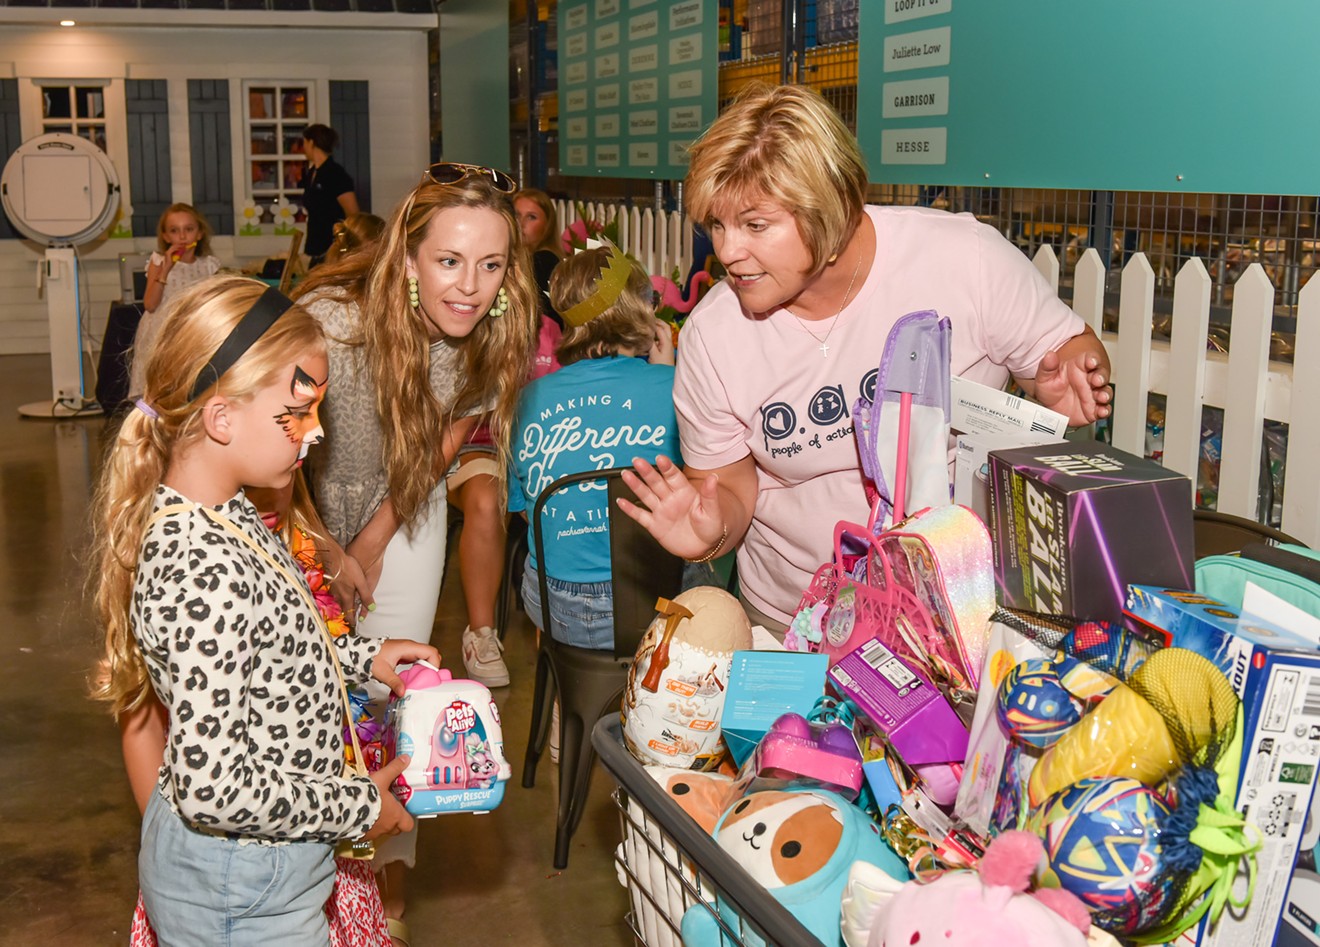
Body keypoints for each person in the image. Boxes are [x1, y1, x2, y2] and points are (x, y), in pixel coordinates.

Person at [617, 84, 1113, 635]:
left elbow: (1064, 349)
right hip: (796, 619)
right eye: (717, 224)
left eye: (755, 225)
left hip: (963, 613)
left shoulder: (965, 259)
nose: (728, 251)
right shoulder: (715, 334)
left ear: (827, 210)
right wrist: (707, 531)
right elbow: (730, 488)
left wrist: (1072, 372)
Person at [89, 276, 438, 945]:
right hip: (237, 893)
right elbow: (213, 785)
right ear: (222, 418)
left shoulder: (232, 513)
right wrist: (359, 805)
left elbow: (266, 649)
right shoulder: (201, 563)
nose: (317, 430)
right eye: (300, 409)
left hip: (263, 873)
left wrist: (364, 657)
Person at [296, 163, 540, 942]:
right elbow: (270, 457)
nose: (470, 286)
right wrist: (327, 547)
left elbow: (437, 445)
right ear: (408, 258)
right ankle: (304, 893)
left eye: (491, 264)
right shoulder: (328, 323)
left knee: (396, 696)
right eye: (449, 261)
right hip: (297, 507)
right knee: (311, 690)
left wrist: (370, 540)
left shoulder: (493, 332)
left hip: (399, 507)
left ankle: (384, 906)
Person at [507, 243, 677, 649]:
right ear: (638, 310)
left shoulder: (526, 400)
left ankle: (572, 699)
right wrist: (668, 374)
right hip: (649, 602)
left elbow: (528, 513)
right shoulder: (674, 390)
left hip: (552, 604)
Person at [129, 203, 222, 397]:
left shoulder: (209, 266)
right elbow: (150, 304)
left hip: (191, 333)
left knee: (188, 387)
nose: (182, 237)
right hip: (161, 333)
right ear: (165, 236)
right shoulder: (158, 262)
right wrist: (166, 270)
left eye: (188, 229)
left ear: (199, 233)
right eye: (174, 230)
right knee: (159, 388)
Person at [302, 123, 361, 266]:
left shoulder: (335, 174)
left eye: (304, 143)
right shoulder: (312, 174)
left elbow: (353, 214)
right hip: (314, 247)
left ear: (311, 142)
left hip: (331, 249)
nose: (303, 148)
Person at [512, 186, 565, 326]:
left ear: (547, 226)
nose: (521, 224)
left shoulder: (544, 261)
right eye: (517, 215)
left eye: (531, 217)